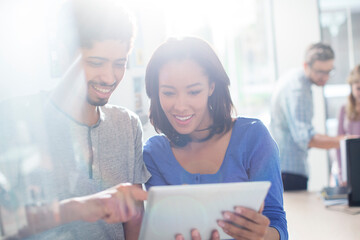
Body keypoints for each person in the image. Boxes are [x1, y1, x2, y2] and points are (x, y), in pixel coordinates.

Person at [0, 0, 150, 239]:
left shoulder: (128, 125)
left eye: (119, 64)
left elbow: (134, 219)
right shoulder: (13, 120)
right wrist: (80, 208)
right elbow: (5, 222)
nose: (109, 77)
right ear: (62, 54)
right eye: (95, 63)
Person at [143, 37, 288, 240]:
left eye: (194, 91)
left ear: (212, 86)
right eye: (168, 92)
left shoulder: (253, 138)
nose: (181, 105)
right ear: (156, 93)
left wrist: (263, 235)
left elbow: (277, 222)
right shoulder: (154, 154)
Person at [270, 42, 352, 191]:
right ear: (306, 65)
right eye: (320, 71)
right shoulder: (298, 89)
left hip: (285, 168)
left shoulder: (293, 80)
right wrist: (347, 141)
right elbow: (305, 137)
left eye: (329, 71)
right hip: (289, 172)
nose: (325, 77)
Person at [336, 64, 360, 185]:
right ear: (351, 87)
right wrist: (341, 174)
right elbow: (339, 144)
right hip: (350, 167)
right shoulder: (344, 110)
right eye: (358, 88)